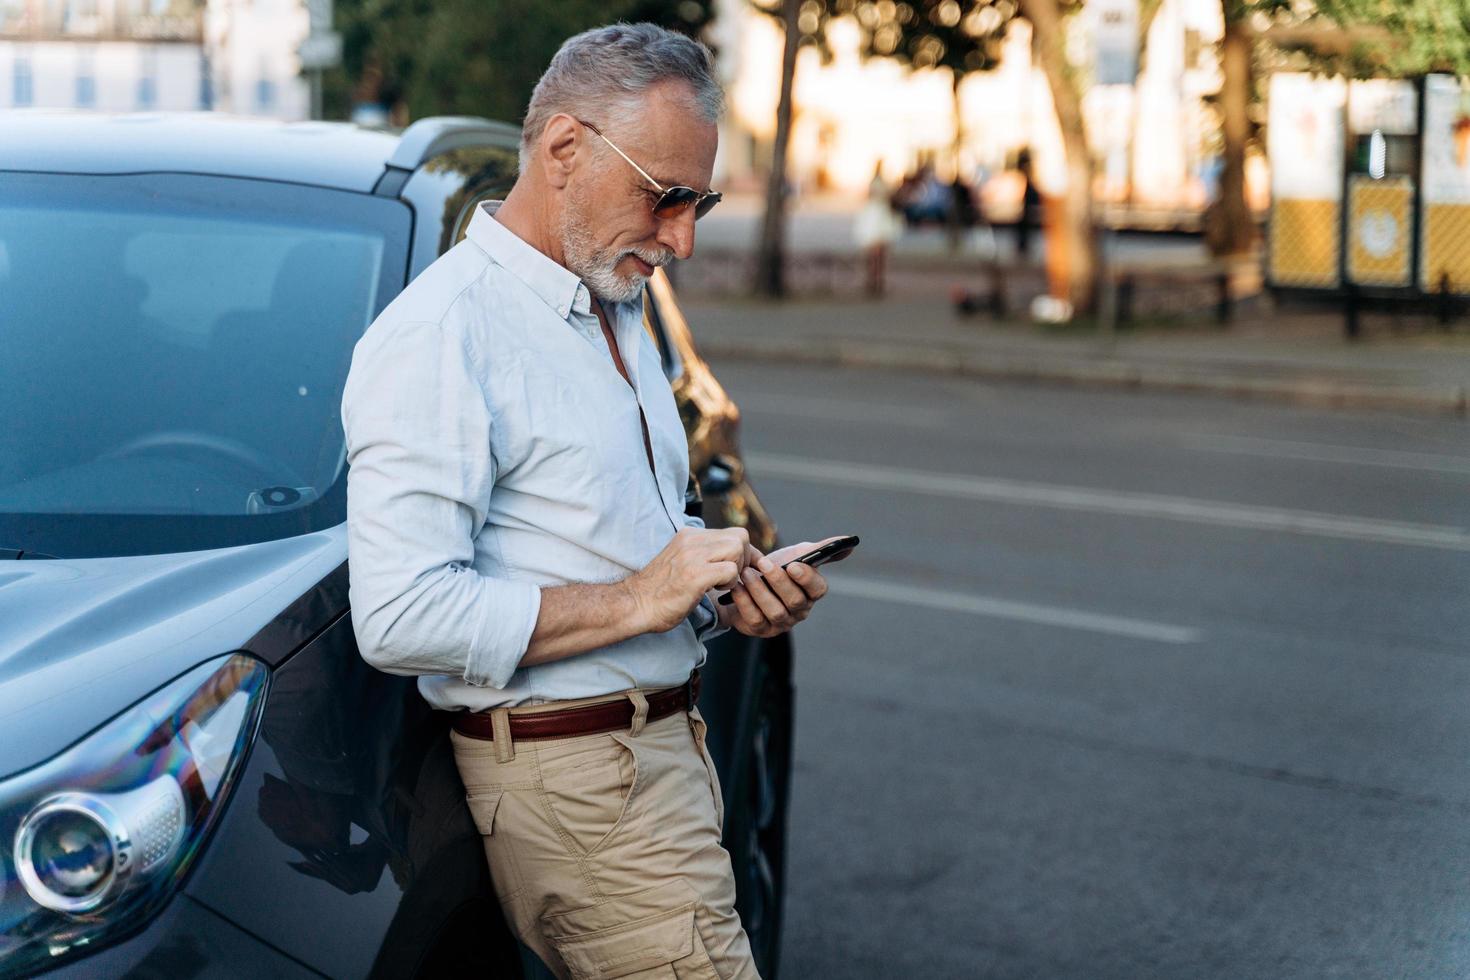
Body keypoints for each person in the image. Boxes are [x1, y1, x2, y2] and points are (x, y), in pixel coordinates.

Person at [339, 23, 834, 980]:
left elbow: (602, 546)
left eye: (702, 202)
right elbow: (397, 615)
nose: (683, 239)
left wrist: (720, 598)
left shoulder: (611, 301)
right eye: (665, 198)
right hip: (582, 787)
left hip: (653, 756)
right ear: (565, 149)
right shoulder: (443, 334)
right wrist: (641, 598)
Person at [854, 162, 900, 296]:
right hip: (878, 217)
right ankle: (874, 280)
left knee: (878, 251)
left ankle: (876, 280)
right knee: (876, 251)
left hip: (879, 216)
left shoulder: (878, 183)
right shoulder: (878, 183)